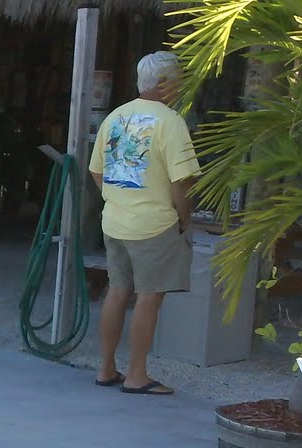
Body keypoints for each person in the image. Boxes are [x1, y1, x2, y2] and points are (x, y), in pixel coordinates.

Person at [88, 50, 200, 396]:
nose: (181, 87)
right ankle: (137, 375)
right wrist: (184, 218)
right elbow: (183, 182)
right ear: (165, 83)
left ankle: (106, 368)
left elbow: (96, 171)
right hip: (154, 224)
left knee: (117, 291)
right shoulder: (171, 121)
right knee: (148, 298)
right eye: (179, 80)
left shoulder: (115, 116)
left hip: (115, 222)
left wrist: (118, 199)